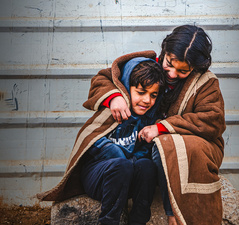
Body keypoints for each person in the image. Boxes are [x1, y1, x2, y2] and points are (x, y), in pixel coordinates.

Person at [107, 25, 226, 225]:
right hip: (141, 148)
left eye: (183, 71)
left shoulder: (206, 83)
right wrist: (114, 96)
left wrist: (162, 127)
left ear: (196, 67)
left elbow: (212, 120)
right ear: (165, 51)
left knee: (163, 146)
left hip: (194, 148)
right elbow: (104, 78)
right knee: (152, 152)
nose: (171, 74)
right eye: (169, 63)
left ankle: (172, 213)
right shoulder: (148, 66)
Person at [37, 52, 166, 225]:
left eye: (153, 95)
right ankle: (108, 221)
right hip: (100, 177)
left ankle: (138, 220)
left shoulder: (149, 120)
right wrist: (125, 159)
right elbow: (93, 140)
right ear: (127, 86)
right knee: (121, 166)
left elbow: (145, 154)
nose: (146, 100)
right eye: (141, 92)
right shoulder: (113, 111)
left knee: (147, 166)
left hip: (128, 180)